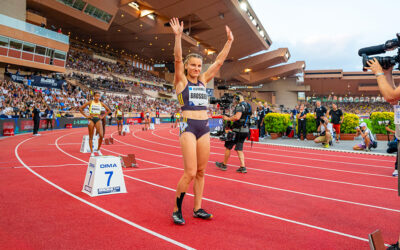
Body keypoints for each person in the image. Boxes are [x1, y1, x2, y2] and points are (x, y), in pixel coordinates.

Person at [169, 17, 233, 225]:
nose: (197, 68)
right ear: (187, 67)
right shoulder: (181, 80)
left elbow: (219, 62)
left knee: (201, 171)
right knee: (189, 171)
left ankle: (197, 208)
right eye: (193, 65)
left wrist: (229, 43)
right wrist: (178, 37)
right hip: (188, 126)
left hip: (204, 127)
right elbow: (177, 59)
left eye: (199, 65)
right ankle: (177, 209)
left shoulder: (204, 80)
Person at [215, 94, 251, 173]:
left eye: (235, 99)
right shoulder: (247, 106)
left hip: (237, 130)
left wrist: (228, 118)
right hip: (245, 130)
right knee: (239, 148)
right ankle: (243, 166)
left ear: (238, 98)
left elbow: (237, 117)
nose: (234, 101)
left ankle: (224, 165)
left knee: (228, 146)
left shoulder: (239, 106)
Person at [79, 92, 111, 157]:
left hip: (98, 119)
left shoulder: (101, 103)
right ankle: (92, 152)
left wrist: (102, 116)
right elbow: (80, 109)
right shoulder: (90, 102)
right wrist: (86, 116)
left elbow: (109, 110)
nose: (97, 97)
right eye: (96, 96)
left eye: (98, 96)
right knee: (91, 136)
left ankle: (98, 150)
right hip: (91, 119)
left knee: (101, 135)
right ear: (94, 96)